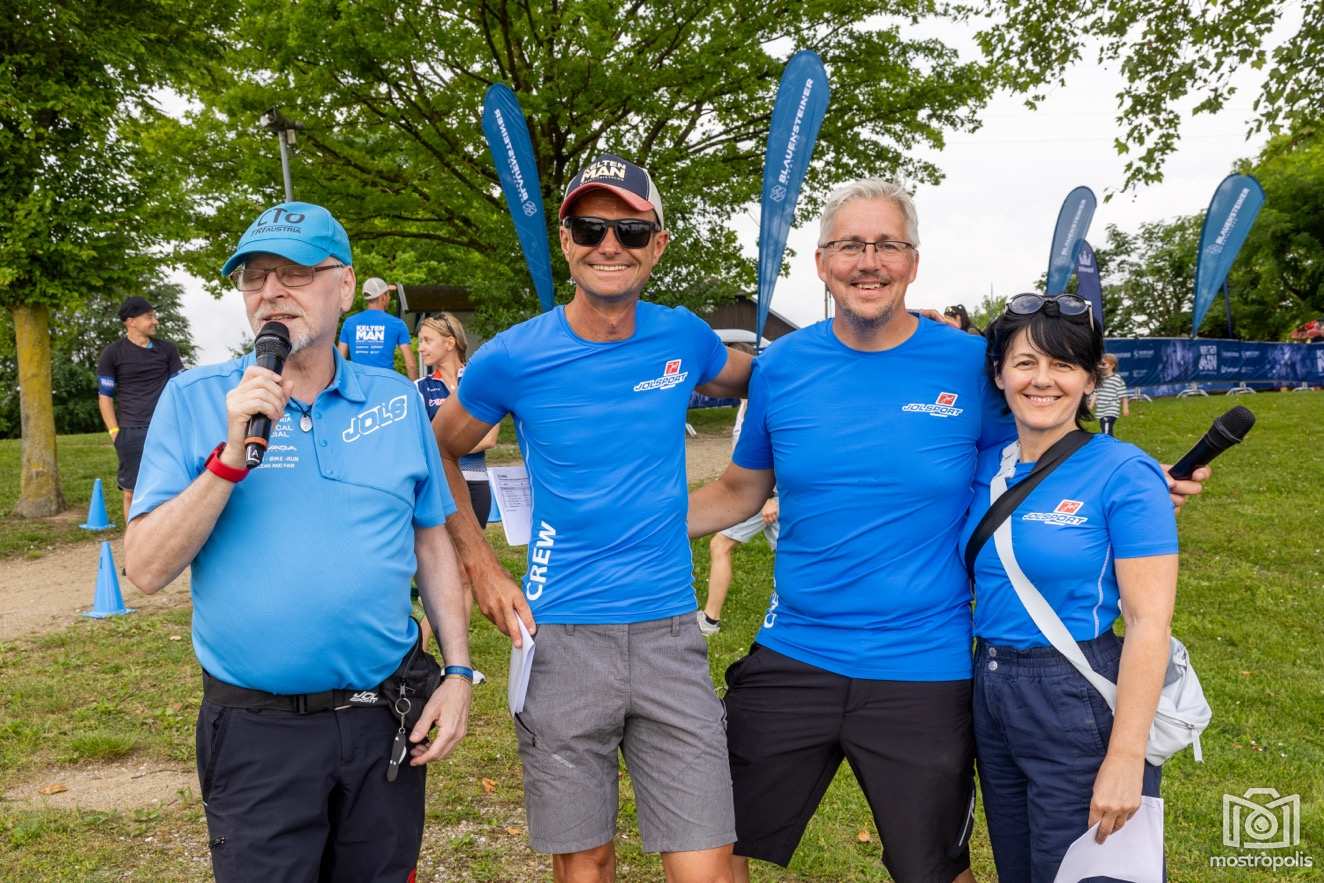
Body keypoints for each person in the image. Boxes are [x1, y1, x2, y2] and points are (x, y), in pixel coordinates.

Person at [686, 179, 1207, 883]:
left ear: (913, 261)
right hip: (795, 651)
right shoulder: (782, 367)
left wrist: (1136, 483)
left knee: (933, 868)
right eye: (850, 245)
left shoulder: (969, 364)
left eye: (887, 245)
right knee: (710, 843)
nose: (868, 261)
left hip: (924, 664)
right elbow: (739, 491)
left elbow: (1042, 452)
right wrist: (626, 529)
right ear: (820, 262)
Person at [124, 201, 473, 882]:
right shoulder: (195, 399)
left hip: (384, 718)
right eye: (254, 277)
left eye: (295, 274)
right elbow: (144, 568)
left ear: (345, 286)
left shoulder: (397, 401)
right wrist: (229, 459)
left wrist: (458, 672)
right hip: (259, 732)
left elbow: (430, 540)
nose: (271, 292)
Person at [433, 153, 752, 883]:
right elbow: (439, 448)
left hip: (670, 633)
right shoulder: (512, 357)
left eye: (631, 231)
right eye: (591, 228)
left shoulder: (684, 337)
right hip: (561, 636)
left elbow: (768, 381)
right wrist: (481, 567)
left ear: (657, 245)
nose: (611, 245)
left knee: (706, 865)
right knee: (586, 862)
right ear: (566, 241)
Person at [962, 293, 1176, 881]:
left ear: (1089, 380)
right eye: (1025, 362)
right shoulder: (983, 466)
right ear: (999, 374)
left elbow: (1150, 623)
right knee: (1021, 869)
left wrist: (1126, 756)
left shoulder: (1125, 472)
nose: (1042, 380)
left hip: (1075, 691)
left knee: (1087, 871)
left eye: (1063, 365)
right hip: (989, 688)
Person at [700, 346, 778, 637]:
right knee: (793, 555)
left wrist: (774, 498)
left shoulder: (768, 401)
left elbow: (784, 453)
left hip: (768, 498)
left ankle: (711, 621)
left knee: (721, 545)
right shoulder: (747, 404)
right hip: (756, 495)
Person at [97, 296, 184, 524]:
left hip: (166, 429)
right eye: (149, 317)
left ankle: (167, 539)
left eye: (154, 316)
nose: (155, 321)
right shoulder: (112, 353)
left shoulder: (167, 350)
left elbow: (181, 388)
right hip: (131, 432)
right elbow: (105, 397)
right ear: (131, 321)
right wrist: (114, 432)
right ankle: (134, 542)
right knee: (132, 493)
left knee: (171, 489)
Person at [416, 312, 499, 527]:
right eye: (420, 341)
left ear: (449, 343)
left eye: (427, 340)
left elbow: (490, 438)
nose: (420, 348)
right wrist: (465, 442)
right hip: (441, 486)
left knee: (476, 547)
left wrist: (444, 449)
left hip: (477, 483)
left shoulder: (480, 380)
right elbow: (423, 443)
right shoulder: (419, 388)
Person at [338, 276, 417, 379]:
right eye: (388, 295)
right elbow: (411, 365)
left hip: (358, 383)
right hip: (385, 383)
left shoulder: (349, 323)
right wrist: (415, 386)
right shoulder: (397, 324)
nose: (389, 298)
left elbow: (340, 360)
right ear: (383, 297)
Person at [1093, 353, 1130, 436]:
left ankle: (1107, 441)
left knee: (1106, 429)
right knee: (1104, 427)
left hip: (1111, 409)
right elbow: (1096, 393)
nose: (1101, 366)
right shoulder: (1100, 379)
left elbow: (1123, 395)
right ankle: (1109, 441)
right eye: (1100, 364)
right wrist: (1091, 405)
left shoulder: (1117, 379)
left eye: (1103, 364)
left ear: (1112, 365)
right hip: (1101, 410)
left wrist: (1125, 408)